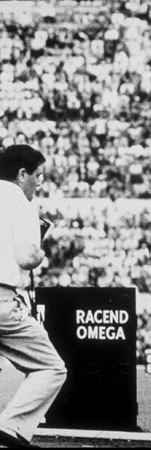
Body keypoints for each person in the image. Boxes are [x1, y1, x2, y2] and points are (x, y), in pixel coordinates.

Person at [0, 144, 67, 448]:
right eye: (38, 176)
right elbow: (26, 257)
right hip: (2, 301)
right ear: (22, 173)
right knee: (51, 368)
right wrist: (40, 251)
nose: (40, 183)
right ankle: (11, 427)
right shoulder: (21, 204)